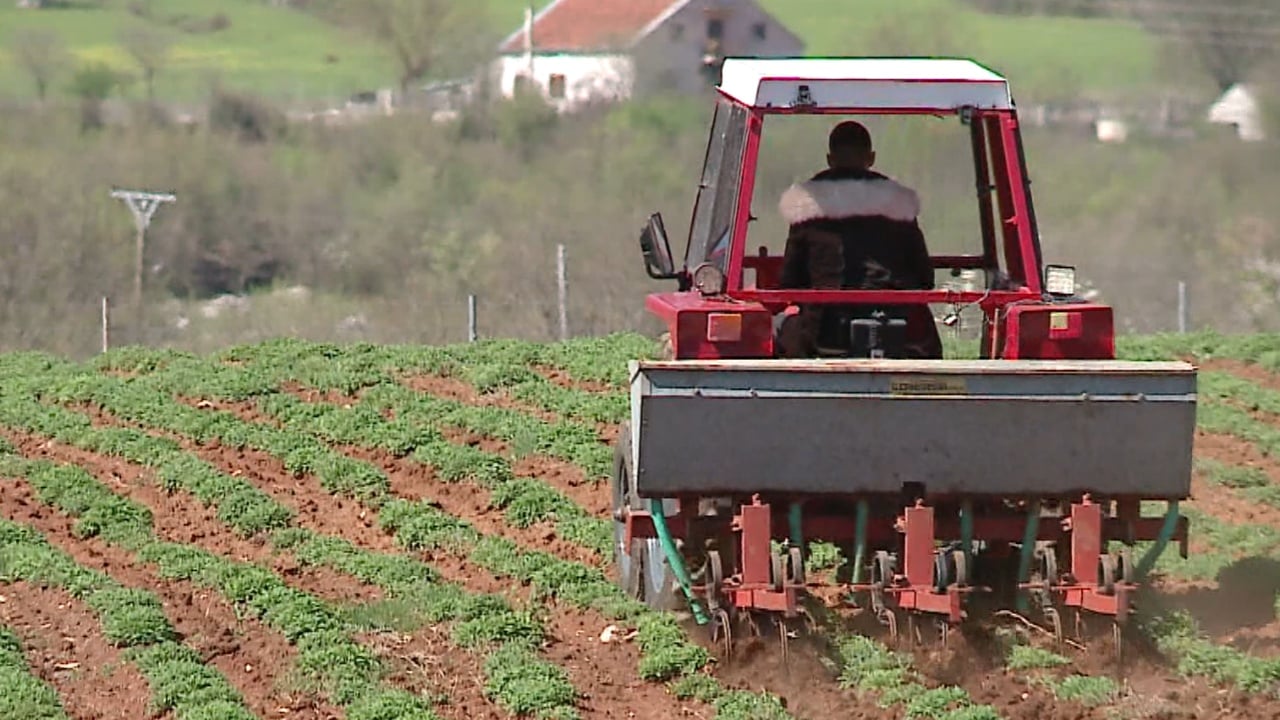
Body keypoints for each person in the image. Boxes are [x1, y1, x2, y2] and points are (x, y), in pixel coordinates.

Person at [773, 120, 942, 359]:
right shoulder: (898, 202)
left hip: (822, 333)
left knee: (781, 324)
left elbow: (789, 281)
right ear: (871, 158)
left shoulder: (805, 204)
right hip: (895, 330)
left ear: (830, 159)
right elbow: (925, 278)